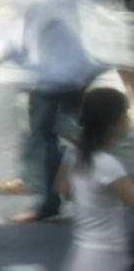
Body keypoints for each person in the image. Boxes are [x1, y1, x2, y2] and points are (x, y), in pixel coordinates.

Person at [0, 0, 99, 223]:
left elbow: (19, 22)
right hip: (75, 69)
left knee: (48, 136)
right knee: (71, 133)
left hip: (47, 75)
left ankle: (54, 197)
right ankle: (75, 185)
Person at [67, 86, 134, 271]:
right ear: (114, 121)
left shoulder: (79, 154)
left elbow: (62, 188)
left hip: (86, 251)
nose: (128, 119)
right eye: (125, 113)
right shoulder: (108, 164)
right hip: (105, 257)